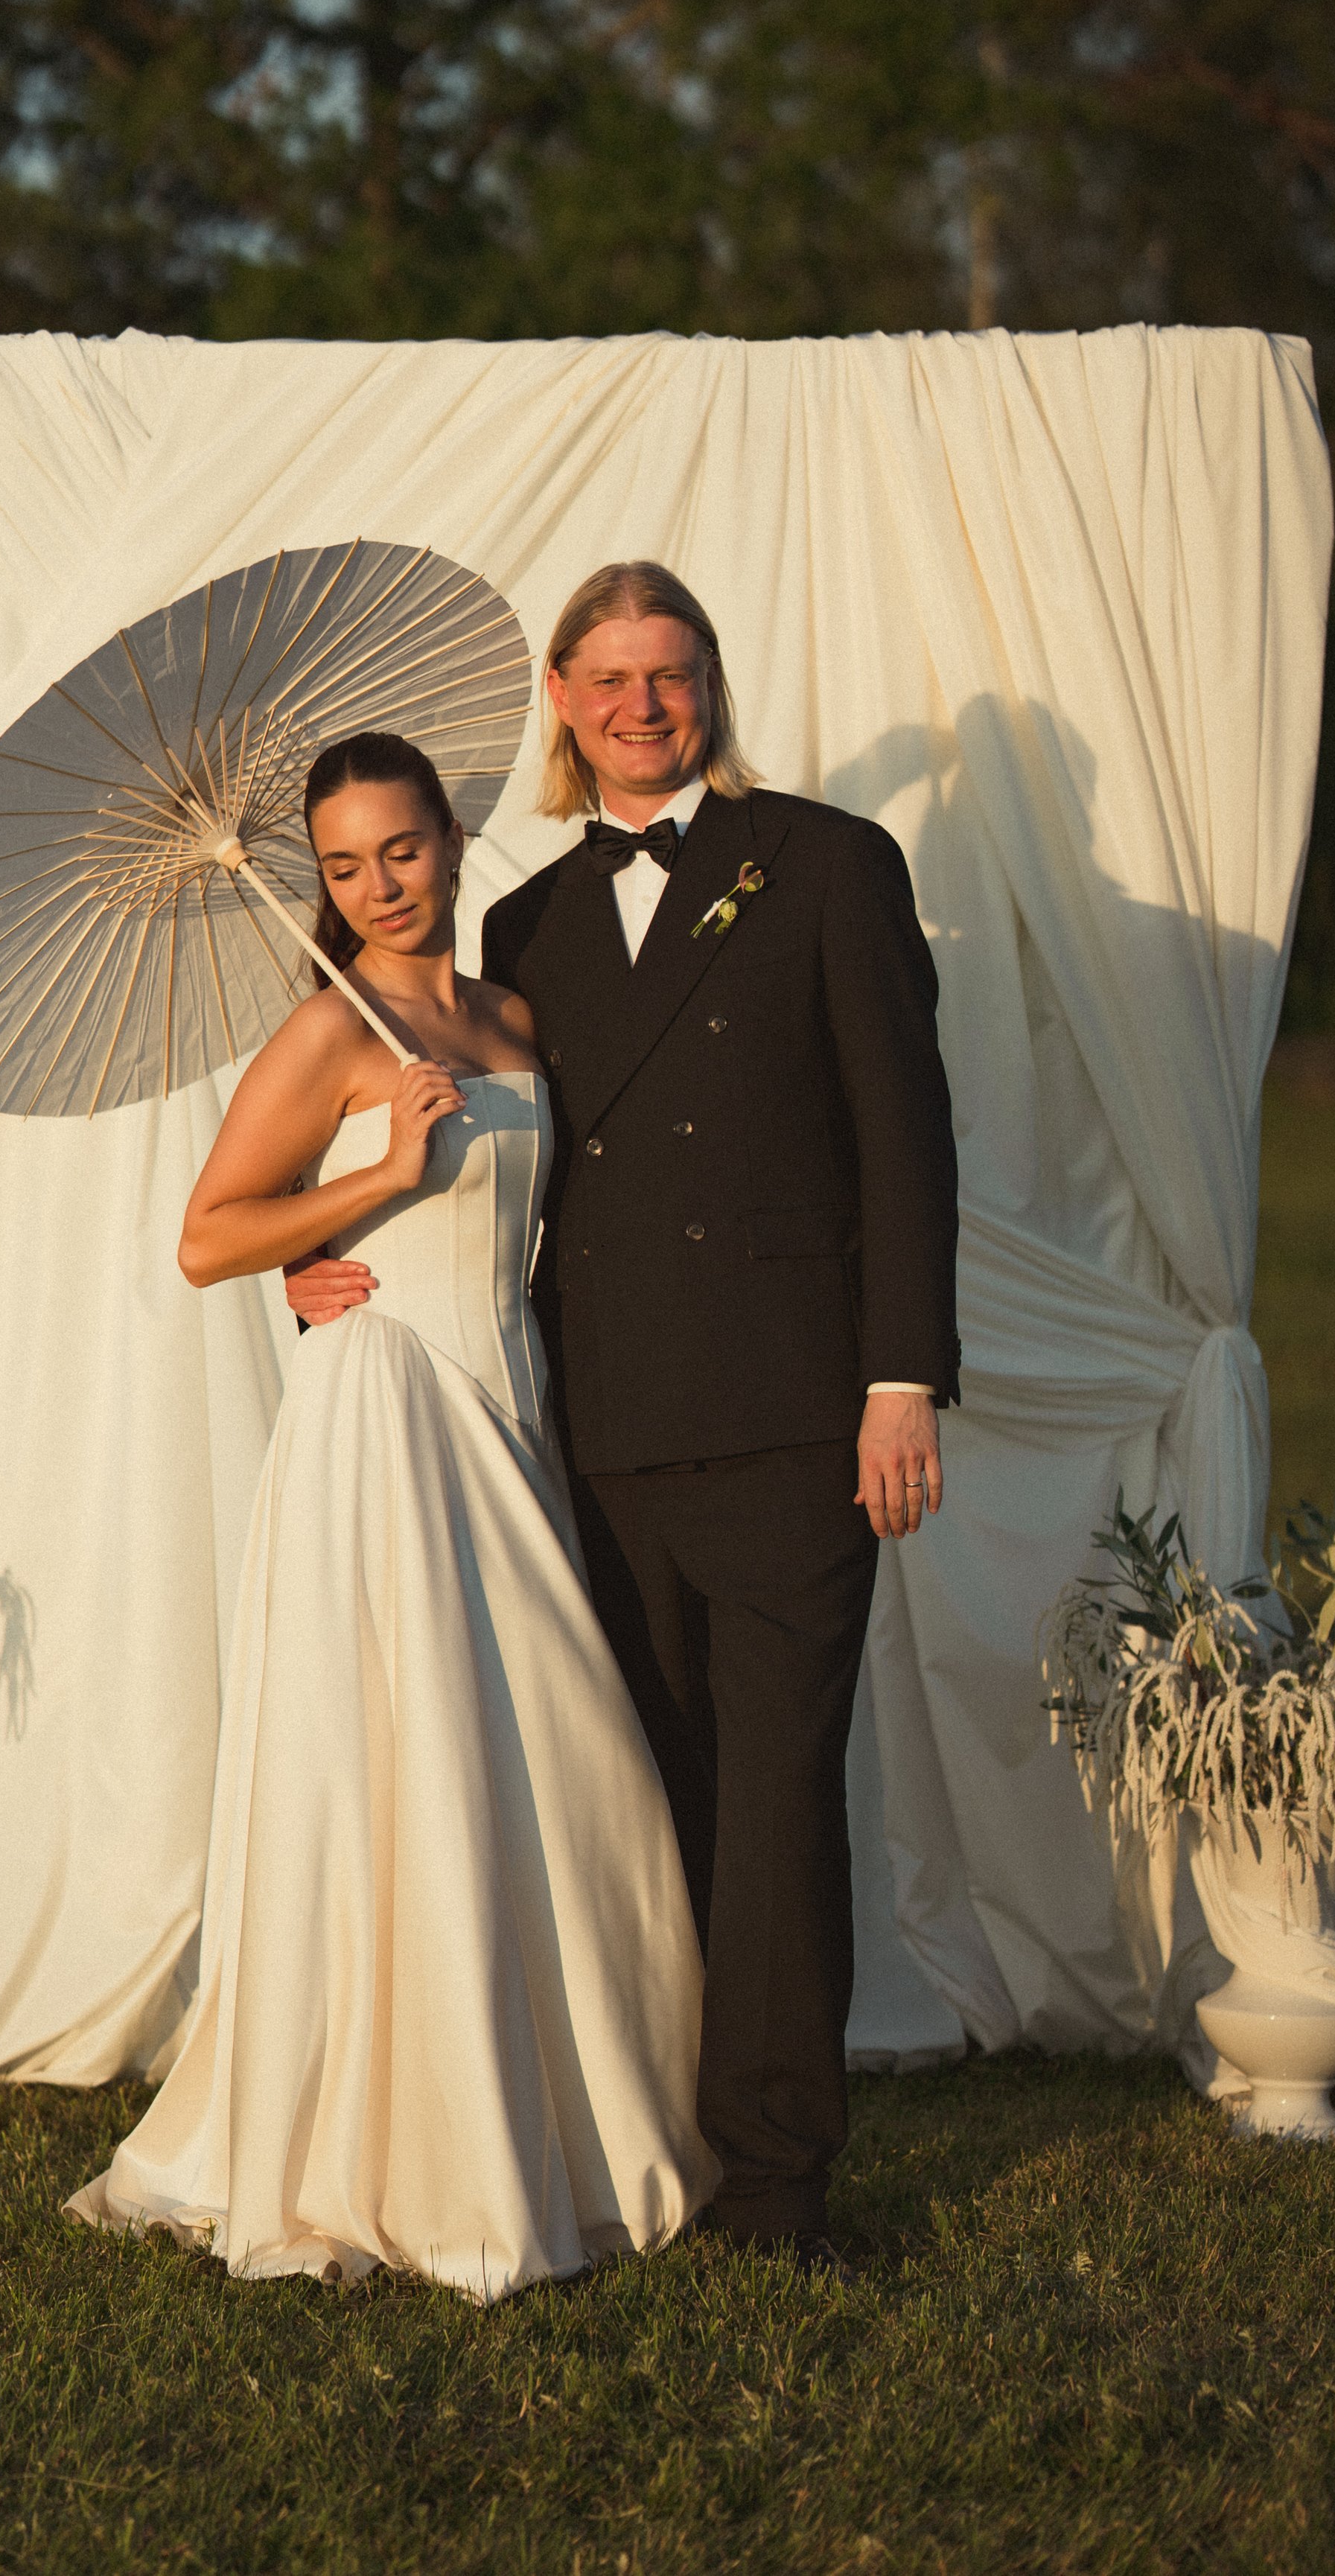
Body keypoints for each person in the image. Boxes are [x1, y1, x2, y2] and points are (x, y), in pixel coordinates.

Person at [290, 564, 960, 2268]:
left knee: (780, 1799)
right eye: (607, 679)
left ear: (708, 686)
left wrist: (900, 1380)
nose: (640, 704)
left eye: (669, 673)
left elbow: (904, 1138)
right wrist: (326, 1247)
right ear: (564, 704)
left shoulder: (826, 864)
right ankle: (654, 2137)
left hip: (799, 1416)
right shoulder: (515, 931)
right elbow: (478, 1160)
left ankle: (781, 2183)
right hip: (589, 1431)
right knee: (654, 1797)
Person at [67, 730, 715, 2301]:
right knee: (406, 1762)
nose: (379, 886)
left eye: (403, 850)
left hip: (513, 1409)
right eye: (346, 865)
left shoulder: (504, 1010)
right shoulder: (320, 1034)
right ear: (322, 875)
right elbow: (208, 1237)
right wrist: (365, 1189)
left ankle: (561, 2114)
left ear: (449, 834)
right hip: (390, 1424)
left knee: (546, 1762)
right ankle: (401, 2145)